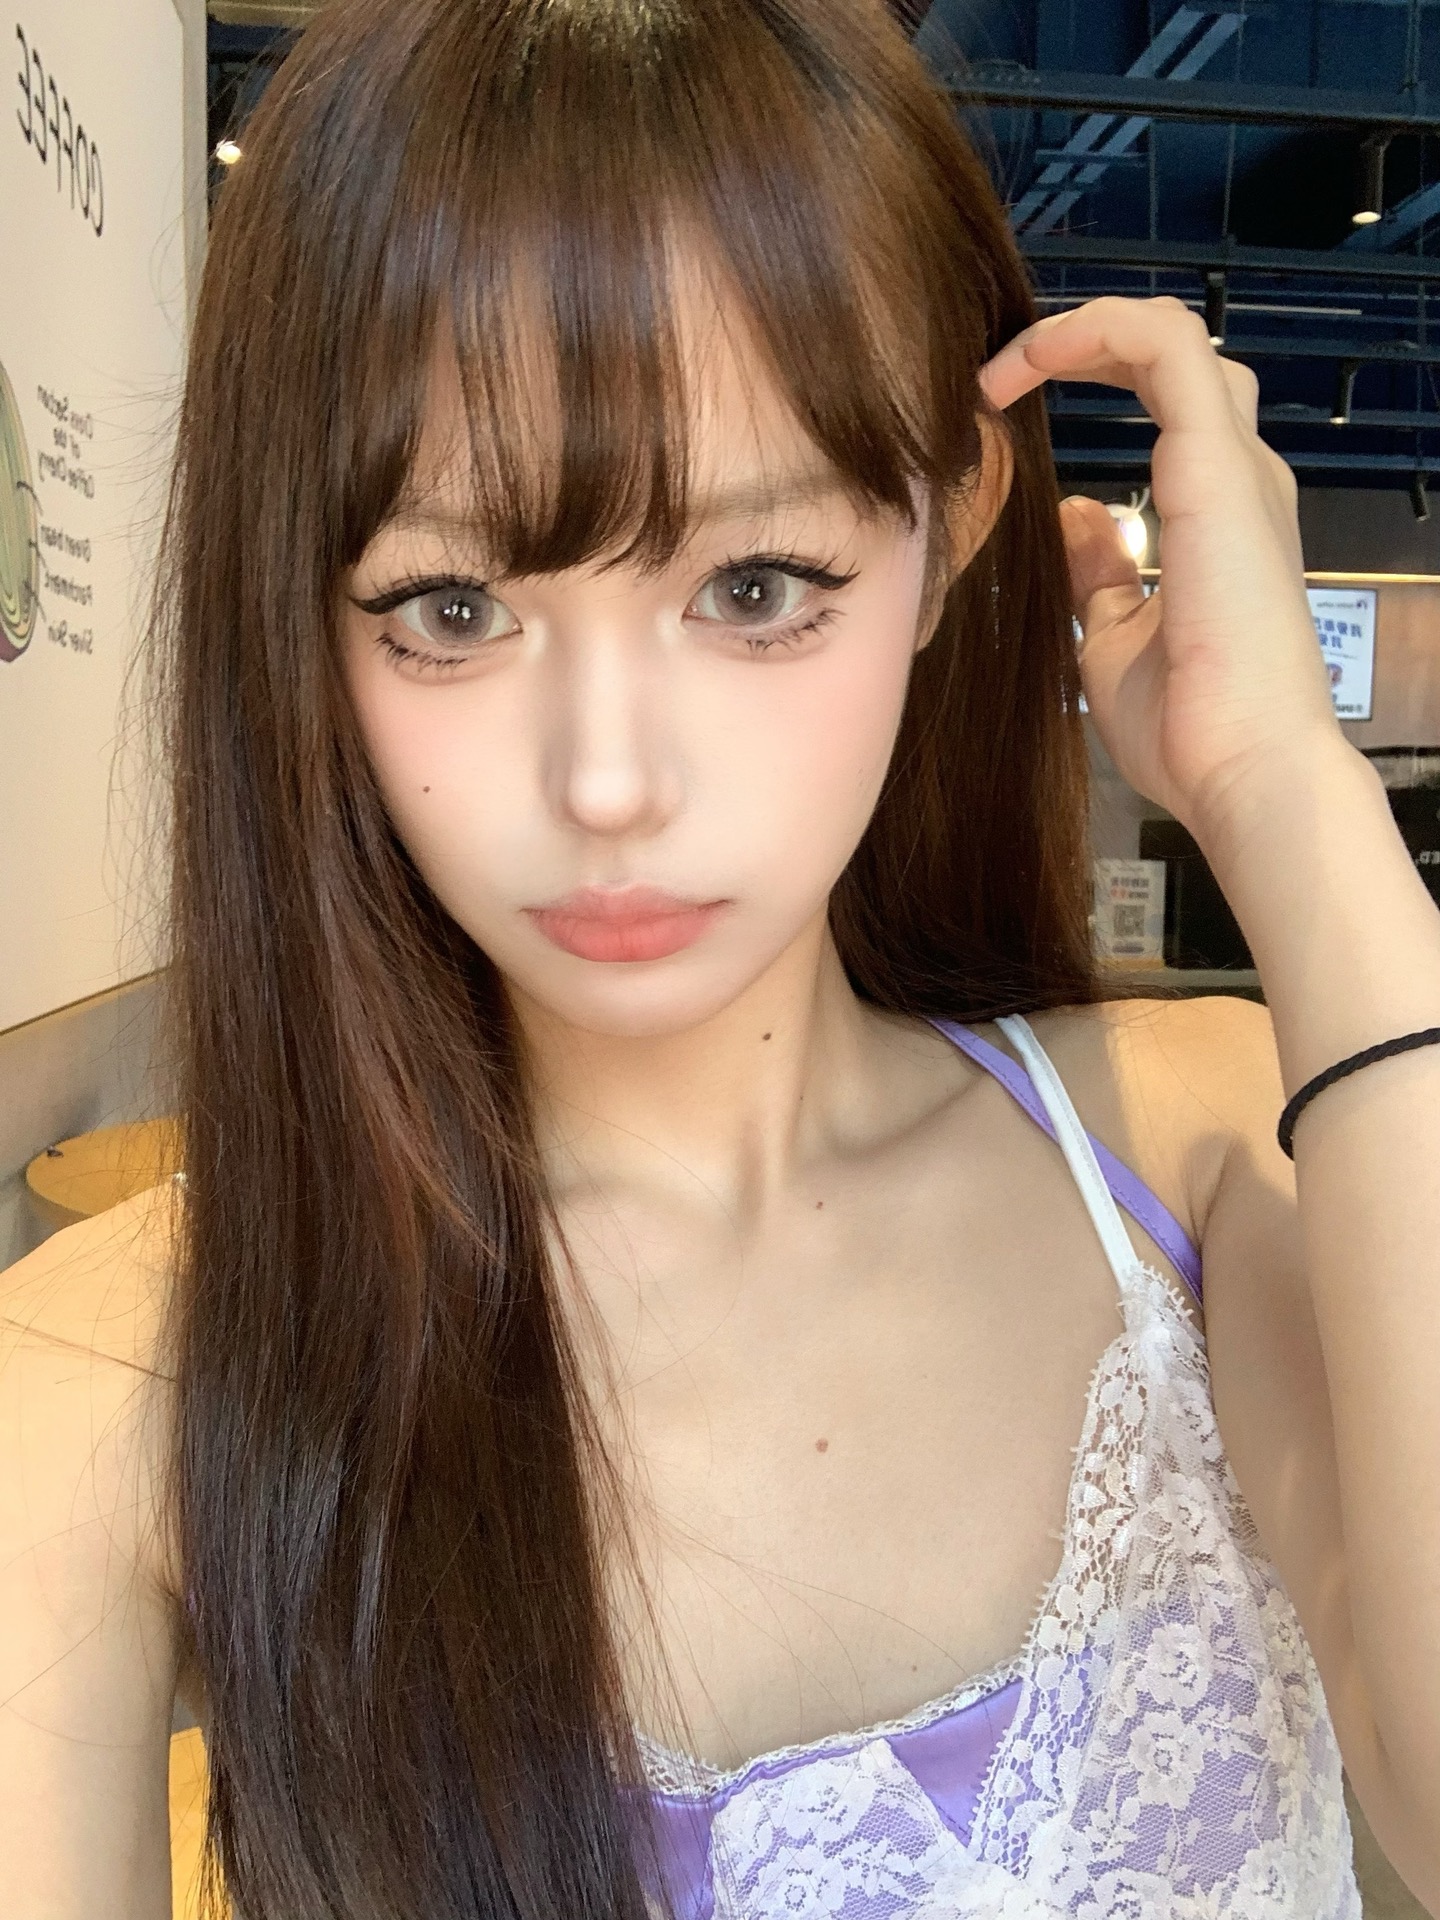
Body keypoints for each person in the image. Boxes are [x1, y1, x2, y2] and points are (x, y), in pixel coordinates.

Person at [3, 0, 1439, 1915]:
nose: (609, 783)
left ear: (952, 525)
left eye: (755, 587)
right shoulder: (106, 1386)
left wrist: (1285, 793)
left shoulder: (1192, 1153)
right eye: (452, 606)